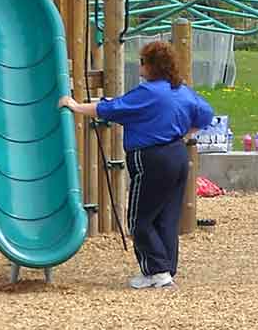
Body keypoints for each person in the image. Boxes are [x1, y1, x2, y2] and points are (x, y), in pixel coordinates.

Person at [60, 40, 214, 289]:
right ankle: (165, 271)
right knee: (166, 217)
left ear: (153, 66)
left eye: (143, 62)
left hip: (150, 157)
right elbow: (206, 113)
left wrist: (76, 106)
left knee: (140, 218)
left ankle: (157, 270)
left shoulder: (149, 92)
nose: (140, 66)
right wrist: (186, 133)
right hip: (177, 154)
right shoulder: (182, 90)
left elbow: (112, 107)